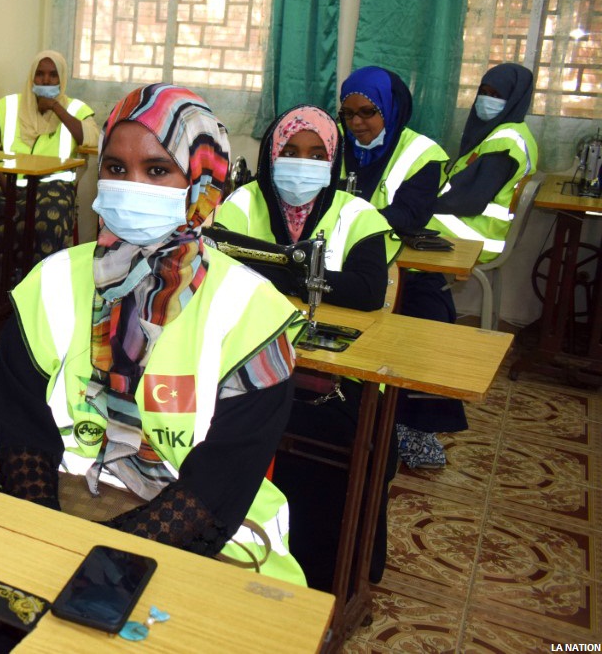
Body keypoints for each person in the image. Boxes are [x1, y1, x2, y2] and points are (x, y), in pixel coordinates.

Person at [0, 84, 306, 586]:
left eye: (157, 170)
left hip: (210, 530)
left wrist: (109, 562)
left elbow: (222, 479)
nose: (130, 184)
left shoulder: (252, 313)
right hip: (67, 499)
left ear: (201, 183)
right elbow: (23, 430)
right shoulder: (50, 283)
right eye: (116, 168)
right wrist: (47, 538)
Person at [216, 105, 398, 590]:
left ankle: (329, 574)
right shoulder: (239, 205)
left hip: (336, 376)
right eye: (291, 151)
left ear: (333, 159)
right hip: (247, 362)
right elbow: (221, 269)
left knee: (359, 435)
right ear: (272, 155)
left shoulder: (358, 215)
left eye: (317, 154)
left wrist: (284, 273)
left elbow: (365, 291)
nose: (303, 163)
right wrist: (307, 277)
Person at [338, 65, 459, 469]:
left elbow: (407, 214)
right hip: (345, 258)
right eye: (348, 114)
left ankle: (413, 424)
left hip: (405, 264)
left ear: (391, 109)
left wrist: (346, 219)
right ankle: (344, 408)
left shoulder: (422, 154)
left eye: (367, 113)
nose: (357, 123)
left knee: (428, 316)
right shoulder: (332, 144)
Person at [0, 50, 100, 294]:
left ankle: (37, 294)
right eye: (40, 75)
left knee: (47, 219)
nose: (46, 80)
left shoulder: (76, 109)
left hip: (51, 185)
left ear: (62, 79)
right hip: (6, 180)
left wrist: (57, 108)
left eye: (53, 75)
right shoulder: (8, 106)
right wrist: (6, 185)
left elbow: (92, 139)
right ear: (31, 78)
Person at [430, 63, 538, 264]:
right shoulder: (512, 132)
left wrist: (421, 203)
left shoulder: (504, 143)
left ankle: (411, 291)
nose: (486, 100)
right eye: (483, 92)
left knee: (395, 225)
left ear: (514, 99)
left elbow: (469, 201)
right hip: (477, 225)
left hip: (479, 234)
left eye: (496, 96)